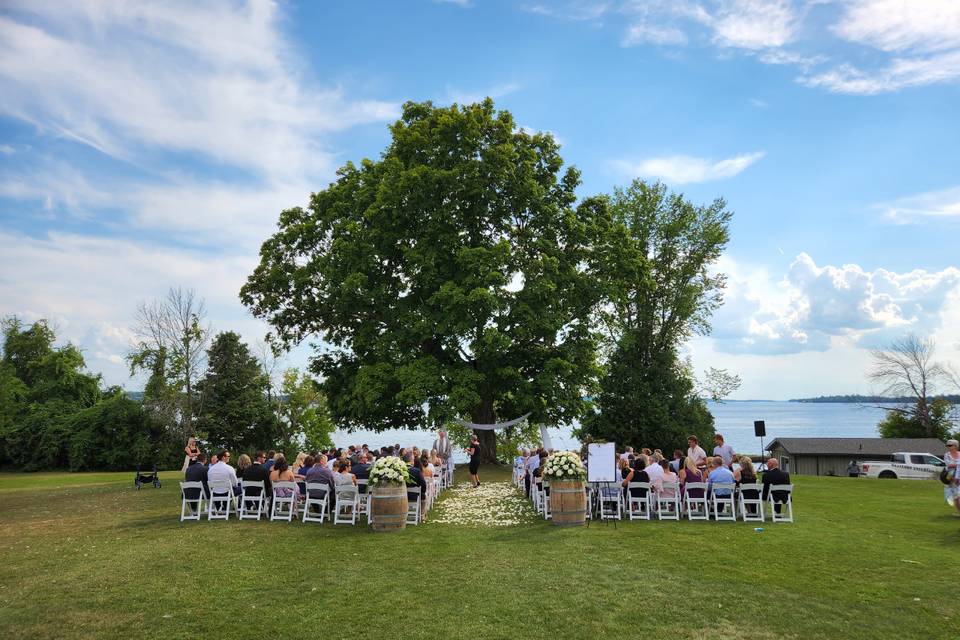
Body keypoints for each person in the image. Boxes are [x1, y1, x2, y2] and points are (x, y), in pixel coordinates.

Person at [404, 452, 427, 520]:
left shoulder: (401, 471)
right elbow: (423, 484)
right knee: (424, 496)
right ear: (411, 460)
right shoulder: (416, 471)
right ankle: (422, 515)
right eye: (413, 459)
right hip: (415, 496)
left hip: (403, 495)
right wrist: (422, 492)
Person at [944, 439, 960, 514]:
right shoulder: (947, 455)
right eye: (947, 445)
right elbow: (949, 465)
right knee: (956, 496)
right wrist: (958, 465)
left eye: (950, 445)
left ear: (956, 446)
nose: (948, 447)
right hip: (951, 477)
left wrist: (956, 465)